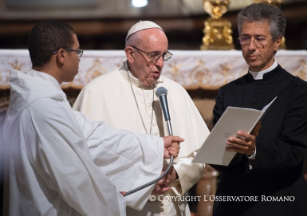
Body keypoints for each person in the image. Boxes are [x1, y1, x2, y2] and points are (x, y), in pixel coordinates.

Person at [3, 20, 183, 216]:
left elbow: (93, 135)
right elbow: (72, 177)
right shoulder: (44, 109)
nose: (80, 59)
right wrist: (114, 199)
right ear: (62, 55)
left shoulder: (43, 99)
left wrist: (155, 146)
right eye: (77, 52)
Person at [73, 21, 209, 216]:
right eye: (153, 55)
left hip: (169, 207)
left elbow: (199, 155)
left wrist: (175, 175)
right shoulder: (96, 93)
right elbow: (83, 160)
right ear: (130, 53)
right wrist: (137, 182)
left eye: (164, 56)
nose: (161, 63)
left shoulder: (175, 92)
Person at [211, 3, 307, 216]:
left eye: (260, 38)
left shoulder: (299, 91)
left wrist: (254, 151)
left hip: (279, 202)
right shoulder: (227, 92)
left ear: (277, 41)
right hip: (233, 204)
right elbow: (218, 155)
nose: (251, 46)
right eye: (245, 38)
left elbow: (294, 150)